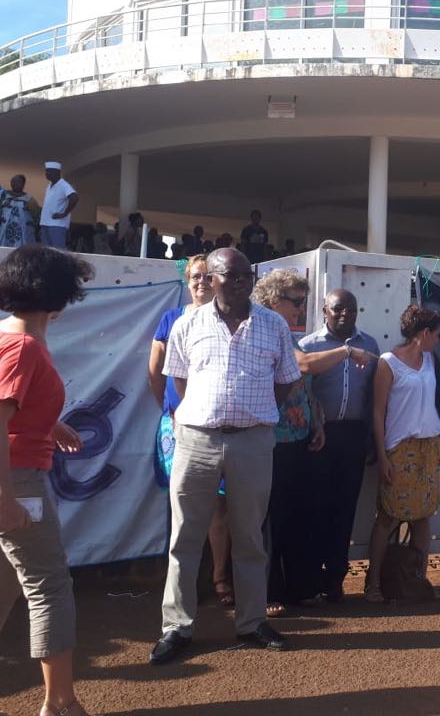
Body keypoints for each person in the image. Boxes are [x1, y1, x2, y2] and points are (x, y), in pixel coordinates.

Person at [150, 247, 301, 665]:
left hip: (252, 441)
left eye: (244, 276)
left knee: (249, 536)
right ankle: (177, 627)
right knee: (185, 536)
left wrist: (252, 413)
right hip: (197, 440)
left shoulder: (273, 324)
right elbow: (179, 380)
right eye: (229, 275)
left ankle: (251, 622)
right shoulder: (187, 323)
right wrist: (207, 414)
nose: (238, 283)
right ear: (210, 279)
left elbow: (286, 380)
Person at [0, 245, 94, 716]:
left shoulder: (10, 339)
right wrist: (5, 497)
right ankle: (60, 704)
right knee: (50, 586)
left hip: (15, 475)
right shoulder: (24, 346)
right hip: (16, 480)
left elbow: (12, 408)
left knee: (7, 587)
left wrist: (47, 424)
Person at [147, 254, 235, 607]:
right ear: (188, 281)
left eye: (206, 276)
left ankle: (219, 577)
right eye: (195, 276)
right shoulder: (171, 319)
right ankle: (184, 584)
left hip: (218, 428)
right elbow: (156, 372)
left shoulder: (228, 319)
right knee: (181, 503)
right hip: (177, 426)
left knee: (219, 504)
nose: (201, 281)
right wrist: (171, 411)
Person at [252, 270, 325, 616]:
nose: (300, 309)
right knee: (271, 520)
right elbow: (304, 366)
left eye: (302, 301)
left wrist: (317, 421)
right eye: (295, 301)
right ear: (272, 299)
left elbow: (303, 387)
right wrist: (347, 352)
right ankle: (267, 593)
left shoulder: (287, 335)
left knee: (297, 514)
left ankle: (299, 587)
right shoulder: (261, 332)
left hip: (299, 437)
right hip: (272, 440)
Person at [363, 305, 440, 603]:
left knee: (423, 516)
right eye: (436, 334)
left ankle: (417, 580)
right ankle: (373, 583)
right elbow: (378, 412)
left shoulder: (430, 360)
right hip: (400, 448)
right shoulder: (388, 363)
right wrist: (383, 455)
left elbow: (429, 403)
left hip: (428, 445)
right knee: (387, 516)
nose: (438, 340)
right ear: (424, 333)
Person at [299, 289, 379, 602]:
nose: (346, 314)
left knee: (345, 509)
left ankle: (335, 579)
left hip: (353, 436)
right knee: (314, 508)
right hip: (319, 437)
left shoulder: (369, 345)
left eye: (352, 309)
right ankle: (309, 579)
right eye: (338, 308)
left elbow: (372, 395)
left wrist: (371, 437)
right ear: (325, 311)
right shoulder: (309, 346)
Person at [38, 163, 78, 250]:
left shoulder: (63, 185)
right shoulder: (49, 185)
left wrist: (64, 213)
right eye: (46, 171)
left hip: (57, 225)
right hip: (45, 223)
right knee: (46, 251)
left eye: (49, 171)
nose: (46, 173)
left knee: (58, 251)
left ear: (57, 173)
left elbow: (74, 197)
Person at [0, 175, 39, 248]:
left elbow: (36, 216)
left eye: (19, 182)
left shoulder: (29, 199)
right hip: (3, 231)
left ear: (23, 184)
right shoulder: (3, 195)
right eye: (13, 181)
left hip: (23, 233)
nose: (15, 184)